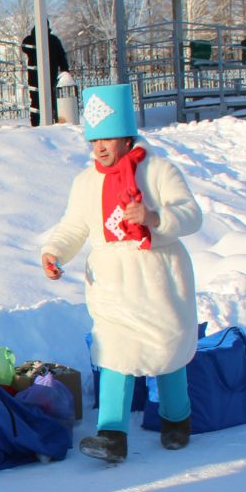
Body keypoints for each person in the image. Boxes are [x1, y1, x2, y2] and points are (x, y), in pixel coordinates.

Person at [41, 83, 203, 464]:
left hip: (158, 275)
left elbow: (192, 214)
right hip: (112, 281)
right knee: (114, 351)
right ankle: (112, 435)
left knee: (169, 350)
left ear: (127, 137)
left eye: (107, 138)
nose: (99, 148)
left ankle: (176, 420)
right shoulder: (85, 182)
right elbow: (73, 226)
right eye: (93, 140)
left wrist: (154, 218)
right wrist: (53, 252)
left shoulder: (158, 170)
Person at [21, 24, 70, 127]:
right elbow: (25, 48)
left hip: (46, 75)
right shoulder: (33, 39)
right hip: (38, 76)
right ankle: (37, 124)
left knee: (48, 100)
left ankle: (49, 122)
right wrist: (65, 69)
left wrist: (64, 70)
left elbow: (61, 56)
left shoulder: (52, 39)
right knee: (39, 100)